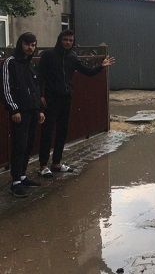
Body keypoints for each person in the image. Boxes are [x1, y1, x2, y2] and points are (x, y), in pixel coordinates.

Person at [38, 30, 115, 177]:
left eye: (70, 40)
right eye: (65, 39)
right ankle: (43, 165)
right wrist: (41, 95)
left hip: (66, 98)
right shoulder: (48, 55)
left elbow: (88, 72)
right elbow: (40, 76)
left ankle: (56, 163)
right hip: (50, 99)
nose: (67, 42)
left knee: (62, 131)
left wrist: (101, 66)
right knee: (47, 132)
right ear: (60, 40)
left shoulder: (72, 57)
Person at [2, 32, 45, 197]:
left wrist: (40, 110)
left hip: (33, 111)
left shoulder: (29, 64)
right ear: (21, 44)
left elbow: (35, 89)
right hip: (20, 113)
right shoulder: (10, 63)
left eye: (33, 45)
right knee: (19, 145)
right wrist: (14, 109)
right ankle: (15, 182)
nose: (30, 48)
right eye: (27, 44)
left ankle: (22, 175)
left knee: (28, 144)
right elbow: (6, 88)